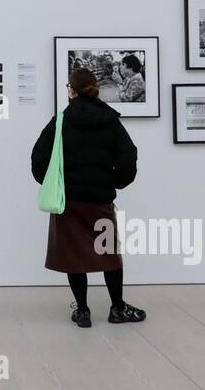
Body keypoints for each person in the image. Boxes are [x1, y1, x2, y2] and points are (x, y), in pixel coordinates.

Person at [30, 67, 145, 328]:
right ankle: (117, 308)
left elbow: (39, 157)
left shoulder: (60, 121)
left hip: (69, 201)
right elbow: (128, 155)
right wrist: (116, 182)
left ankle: (82, 311)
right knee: (109, 253)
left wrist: (52, 182)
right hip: (100, 199)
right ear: (95, 89)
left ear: (71, 90)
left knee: (74, 255)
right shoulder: (110, 120)